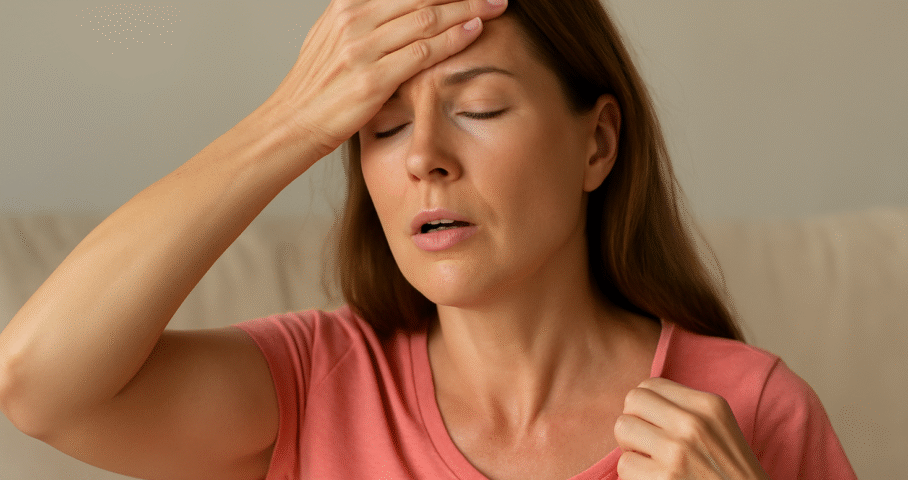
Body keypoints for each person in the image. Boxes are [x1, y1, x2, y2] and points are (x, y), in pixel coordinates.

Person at [0, 0, 858, 479]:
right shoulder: (315, 385)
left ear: (597, 143)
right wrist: (290, 119)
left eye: (478, 109)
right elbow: (40, 384)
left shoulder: (750, 412)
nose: (423, 159)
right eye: (377, 127)